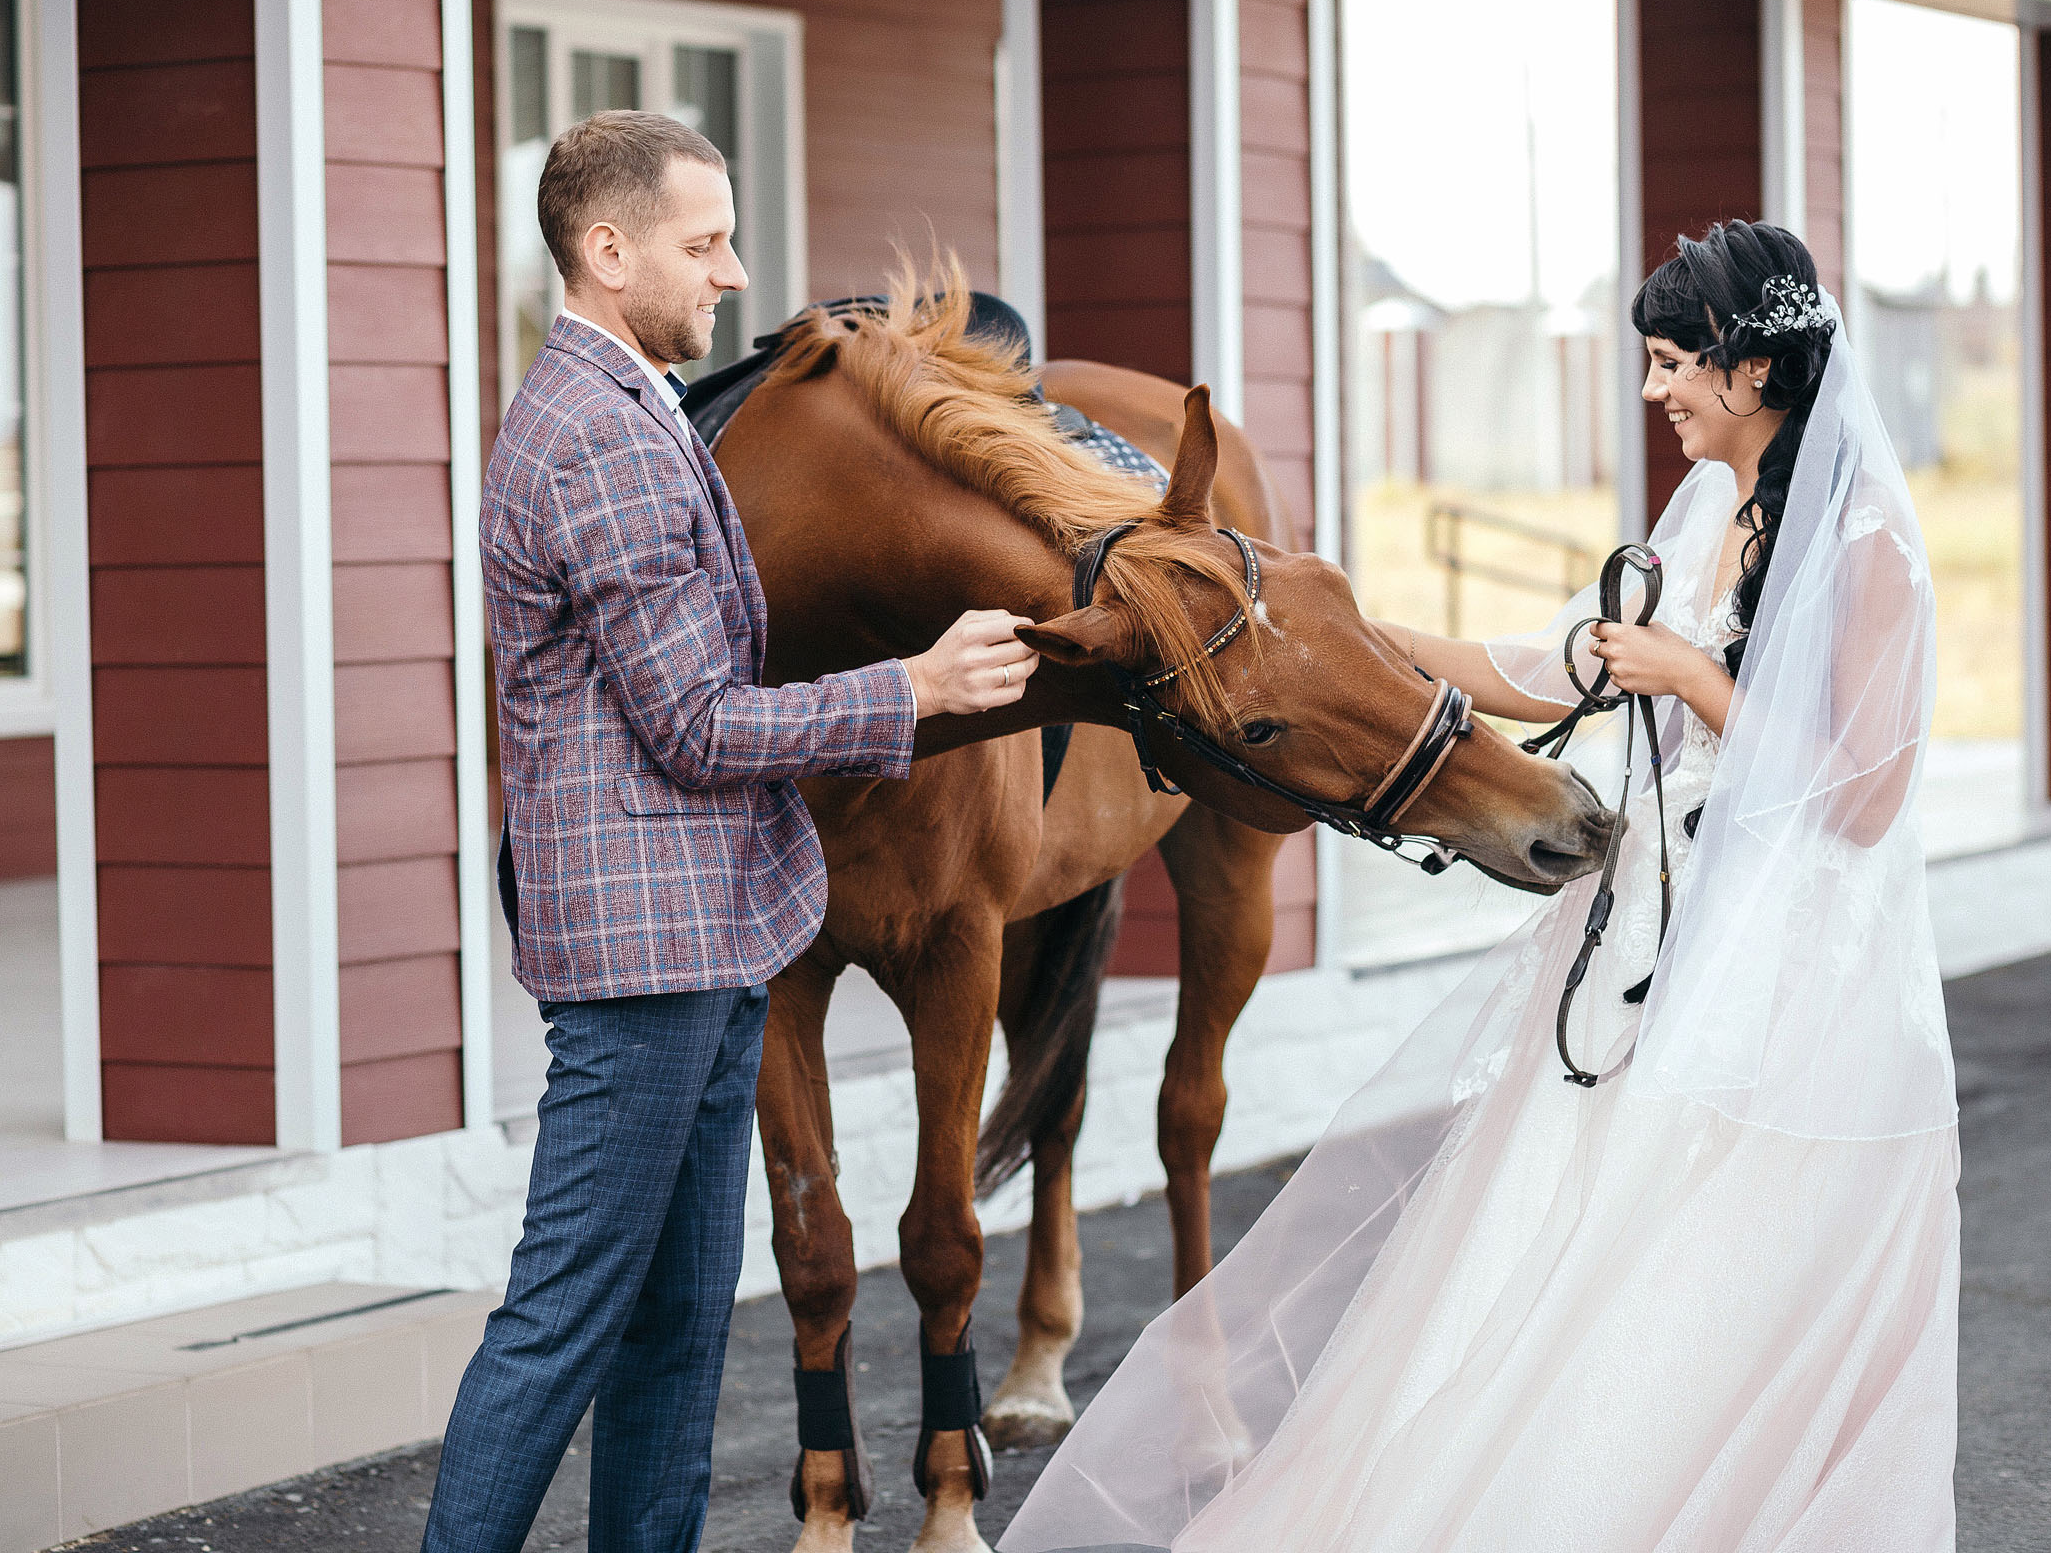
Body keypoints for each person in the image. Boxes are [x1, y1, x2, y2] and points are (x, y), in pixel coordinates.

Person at [1003, 220, 1959, 1552]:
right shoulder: (1706, 518)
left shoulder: (1866, 545)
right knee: (1586, 1241)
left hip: (1796, 968)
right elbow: (1543, 663)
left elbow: (1864, 796)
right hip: (1644, 938)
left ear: (1752, 372)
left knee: (1728, 1251)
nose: (1654, 391)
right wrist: (1332, 638)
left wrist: (1687, 678)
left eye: (1673, 363)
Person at [422, 110, 1039, 1553]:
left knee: (680, 1329)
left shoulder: (634, 405)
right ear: (607, 248)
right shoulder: (598, 439)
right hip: (644, 963)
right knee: (567, 1318)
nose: (733, 274)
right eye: (704, 246)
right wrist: (917, 689)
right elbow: (698, 724)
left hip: (710, 944)